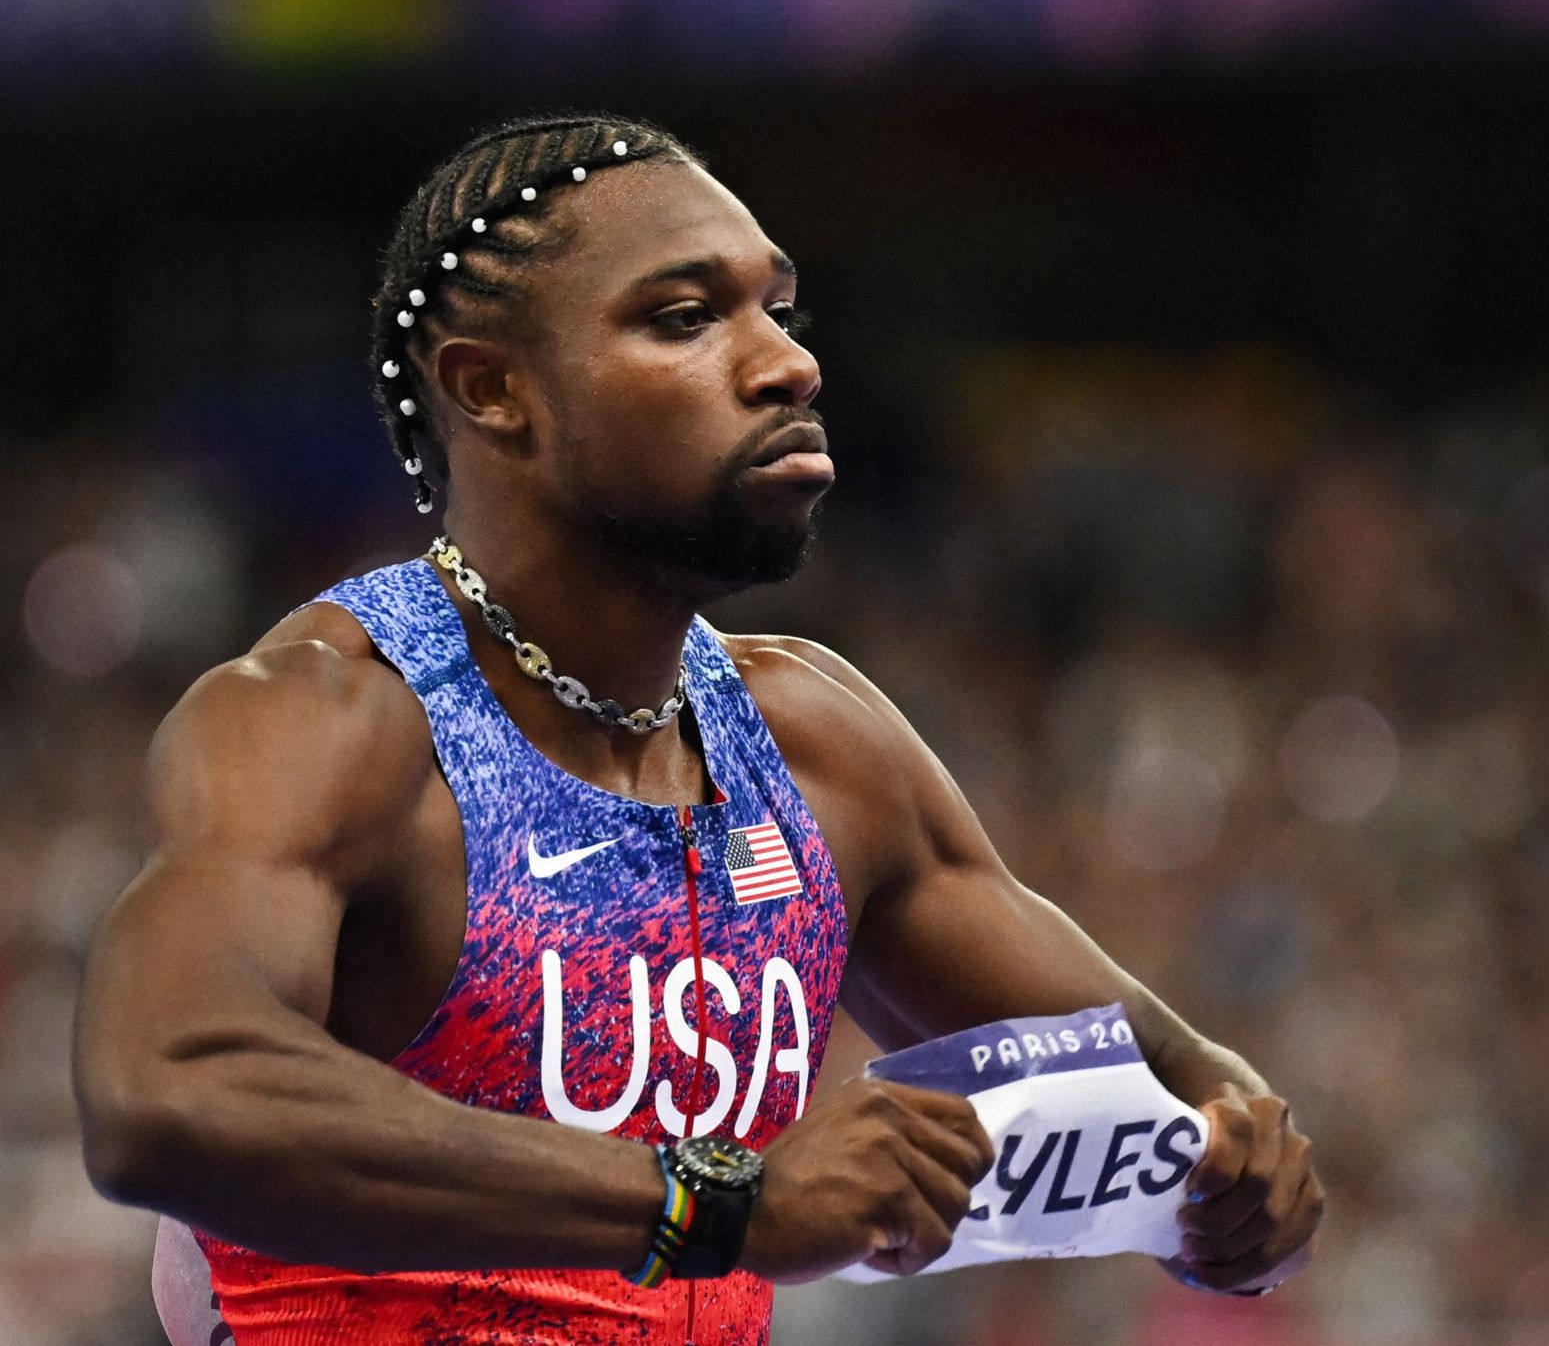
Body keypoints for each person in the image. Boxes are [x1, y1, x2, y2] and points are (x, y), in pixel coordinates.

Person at [72, 112, 1323, 1345]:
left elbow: (1161, 1076)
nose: (786, 363)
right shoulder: (334, 720)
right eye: (684, 318)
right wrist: (712, 1202)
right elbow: (167, 1090)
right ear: (493, 388)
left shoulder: (820, 748)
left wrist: (1238, 1158)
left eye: (779, 311)